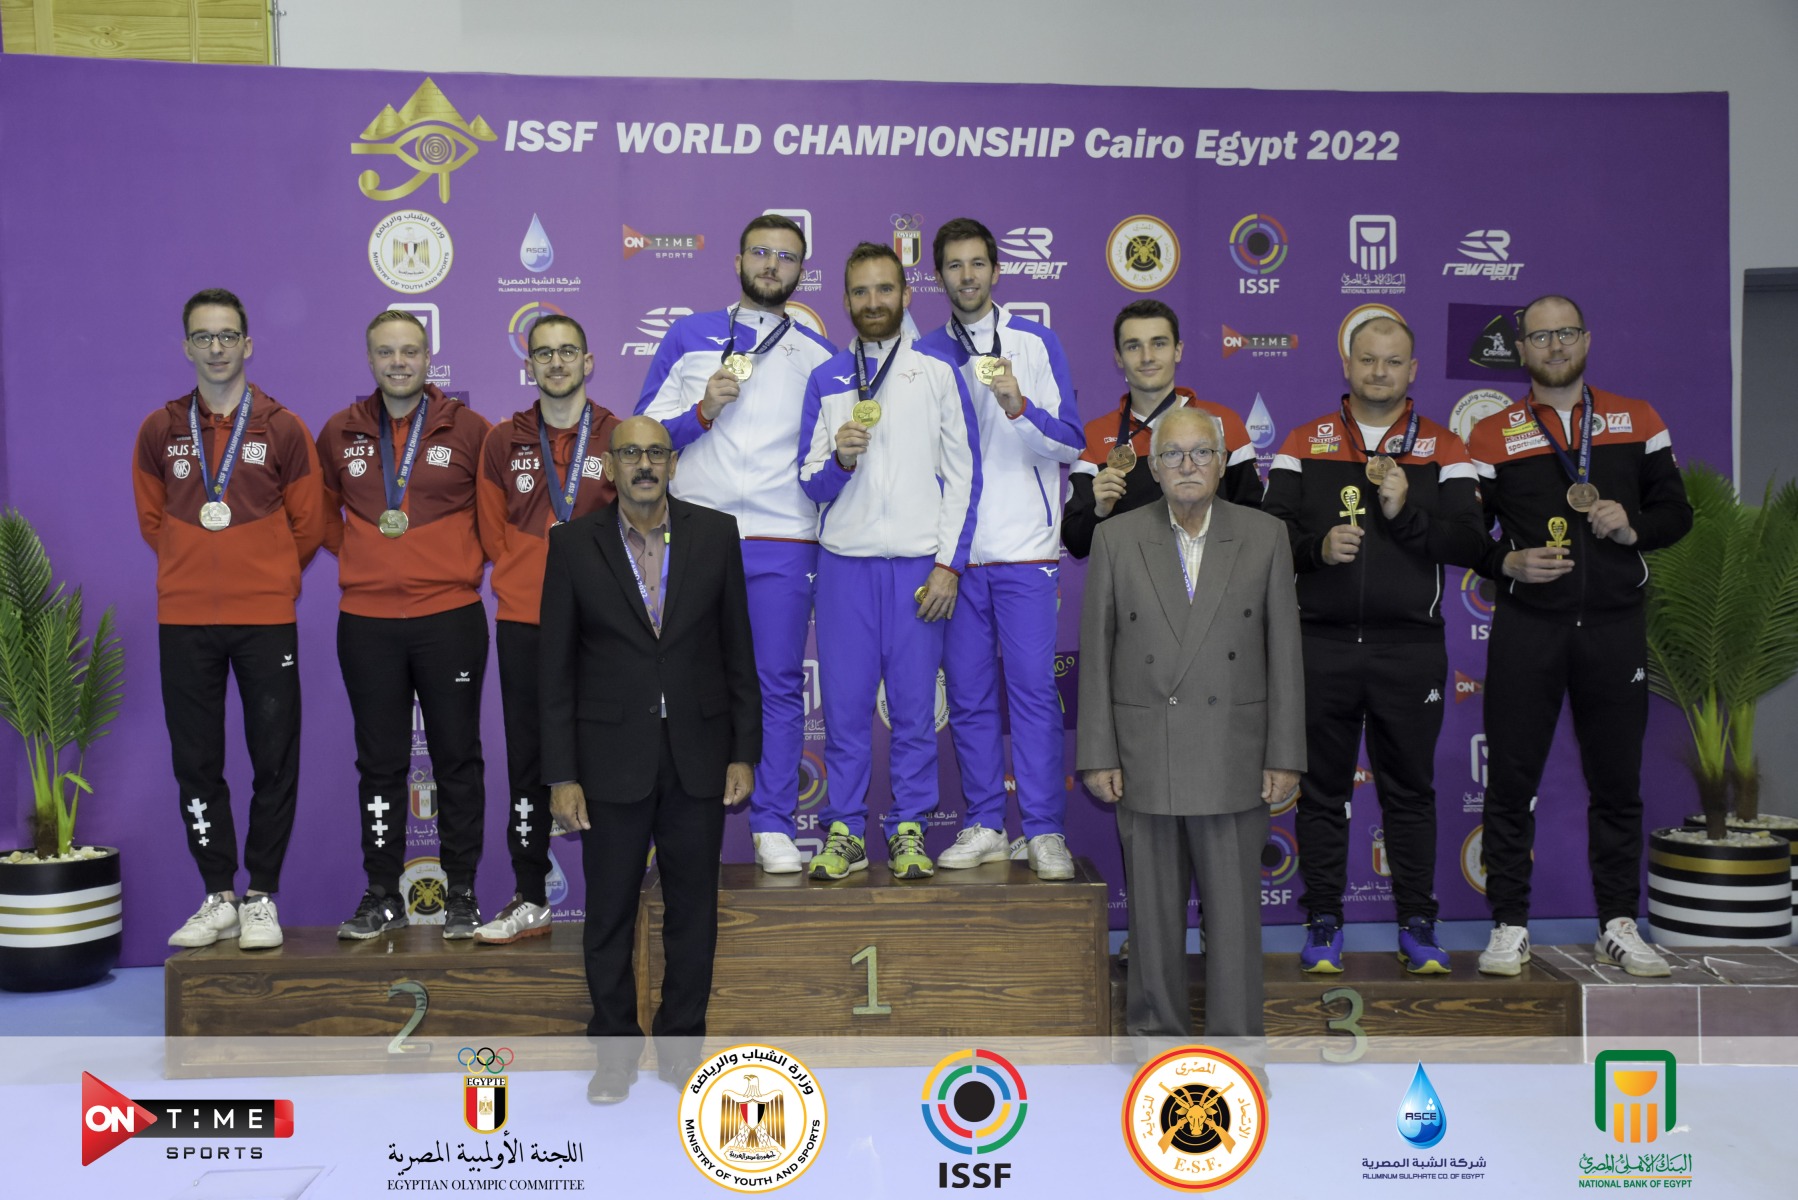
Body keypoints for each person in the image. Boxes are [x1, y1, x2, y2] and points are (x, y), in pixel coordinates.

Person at [1466, 295, 1692, 978]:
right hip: (1528, 629)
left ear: (1586, 340)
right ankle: (1509, 925)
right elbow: (1462, 533)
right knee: (1511, 783)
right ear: (1522, 351)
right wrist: (1505, 562)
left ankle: (1618, 924)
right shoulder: (1491, 435)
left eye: (1566, 333)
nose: (1555, 345)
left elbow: (1677, 512)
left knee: (1617, 784)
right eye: (1540, 337)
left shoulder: (1637, 418)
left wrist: (1633, 528)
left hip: (1614, 628)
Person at [539, 415, 759, 1104]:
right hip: (609, 759)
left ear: (672, 463)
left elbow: (738, 651)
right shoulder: (572, 544)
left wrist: (743, 752)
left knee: (693, 913)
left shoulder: (715, 534)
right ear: (609, 467)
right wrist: (562, 774)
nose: (644, 464)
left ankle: (681, 1050)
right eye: (630, 453)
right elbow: (555, 672)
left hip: (699, 754)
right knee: (609, 913)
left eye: (656, 453)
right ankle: (613, 1057)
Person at [1262, 316, 1488, 974]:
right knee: (1321, 793)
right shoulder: (1303, 442)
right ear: (1348, 364)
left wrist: (1405, 514)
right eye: (1368, 359)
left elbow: (1471, 544)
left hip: (1408, 649)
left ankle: (1418, 923)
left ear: (1412, 370)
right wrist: (1316, 549)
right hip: (1321, 646)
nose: (1379, 372)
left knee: (1410, 793)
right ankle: (1323, 922)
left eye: (1392, 361)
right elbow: (1268, 540)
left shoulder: (1444, 447)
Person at [1077, 407, 1304, 1042]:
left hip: (1236, 755)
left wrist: (1285, 753)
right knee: (1151, 923)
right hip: (1144, 756)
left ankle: (1238, 1050)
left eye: (1201, 453)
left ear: (1223, 462)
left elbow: (1284, 653)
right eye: (1172, 455)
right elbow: (1097, 653)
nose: (1187, 466)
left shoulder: (1265, 535)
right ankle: (1156, 1049)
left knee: (1235, 923)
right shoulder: (1116, 538)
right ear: (1152, 467)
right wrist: (1098, 753)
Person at [636, 214, 837, 875]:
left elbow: (823, 457)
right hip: (697, 533)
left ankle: (773, 823)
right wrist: (702, 410)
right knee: (685, 683)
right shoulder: (689, 336)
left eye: (787, 256)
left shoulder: (818, 353)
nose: (772, 264)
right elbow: (643, 439)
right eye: (761, 252)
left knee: (777, 683)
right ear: (738, 261)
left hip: (784, 537)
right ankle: (679, 822)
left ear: (800, 270)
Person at [137, 288, 324, 951]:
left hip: (264, 619)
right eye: (203, 337)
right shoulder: (160, 430)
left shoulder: (283, 428)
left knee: (274, 760)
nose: (215, 348)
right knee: (196, 761)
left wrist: (263, 573)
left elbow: (309, 524)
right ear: (186, 347)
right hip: (184, 619)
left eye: (226, 336)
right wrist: (194, 565)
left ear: (247, 344)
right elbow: (153, 520)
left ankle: (261, 896)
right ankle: (217, 894)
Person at [797, 241, 980, 881]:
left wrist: (948, 565)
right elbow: (810, 482)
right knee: (845, 710)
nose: (872, 301)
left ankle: (908, 829)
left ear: (905, 294)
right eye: (860, 291)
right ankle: (845, 831)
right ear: (845, 299)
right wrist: (840, 460)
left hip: (918, 570)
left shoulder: (937, 372)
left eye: (884, 289)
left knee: (913, 709)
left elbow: (964, 477)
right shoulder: (826, 378)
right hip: (844, 568)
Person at [914, 218, 1086, 880]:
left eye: (977, 263)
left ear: (995, 269)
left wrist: (1018, 405)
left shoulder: (1035, 342)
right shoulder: (926, 352)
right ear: (939, 275)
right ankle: (986, 822)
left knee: (1035, 693)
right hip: (955, 559)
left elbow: (1070, 441)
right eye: (954, 265)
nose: (967, 276)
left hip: (1023, 551)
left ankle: (1043, 830)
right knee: (967, 694)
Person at [316, 310, 494, 940]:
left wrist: (449, 564)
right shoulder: (339, 431)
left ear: (428, 357)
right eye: (387, 352)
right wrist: (367, 558)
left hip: (449, 617)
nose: (399, 362)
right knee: (379, 764)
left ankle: (463, 892)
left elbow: (493, 517)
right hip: (366, 621)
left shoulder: (470, 429)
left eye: (410, 351)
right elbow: (320, 514)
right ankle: (381, 893)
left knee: (458, 759)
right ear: (370, 359)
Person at [472, 314, 621, 944]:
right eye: (543, 353)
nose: (556, 363)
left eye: (567, 352)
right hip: (525, 620)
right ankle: (530, 896)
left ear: (588, 361)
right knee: (530, 759)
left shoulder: (617, 435)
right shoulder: (501, 441)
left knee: (611, 760)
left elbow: (639, 526)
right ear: (529, 364)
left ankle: (615, 901)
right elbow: (490, 531)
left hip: (603, 627)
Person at [1063, 299, 1261, 560]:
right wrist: (1099, 511)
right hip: (1132, 583)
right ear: (1118, 357)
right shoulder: (1095, 436)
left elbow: (1255, 521)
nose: (1147, 357)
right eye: (1133, 346)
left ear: (1178, 351)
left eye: (1159, 343)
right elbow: (1076, 543)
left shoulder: (1224, 424)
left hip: (1214, 580)